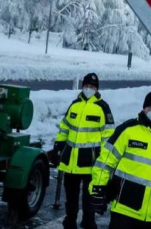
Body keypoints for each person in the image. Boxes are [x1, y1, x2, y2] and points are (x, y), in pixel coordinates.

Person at [89, 90, 151, 229]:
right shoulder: (128, 130)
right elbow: (105, 161)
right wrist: (98, 189)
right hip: (124, 211)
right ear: (144, 108)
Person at [52, 73, 115, 229]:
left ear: (97, 89)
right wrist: (58, 145)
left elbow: (109, 136)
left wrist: (104, 159)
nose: (89, 89)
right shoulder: (74, 105)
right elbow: (65, 127)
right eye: (87, 86)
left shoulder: (103, 108)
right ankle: (70, 220)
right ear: (83, 86)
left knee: (89, 196)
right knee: (71, 196)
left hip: (91, 162)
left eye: (92, 87)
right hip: (70, 162)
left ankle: (88, 221)